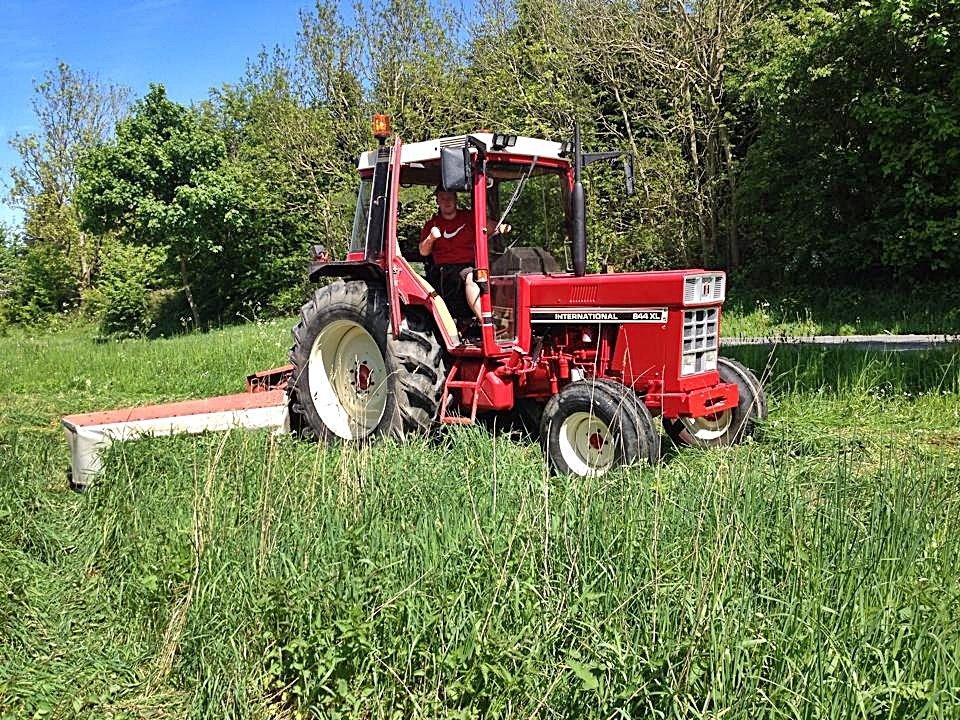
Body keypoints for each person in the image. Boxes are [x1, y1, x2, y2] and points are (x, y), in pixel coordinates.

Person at [419, 189, 482, 323]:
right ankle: (487, 324)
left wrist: (501, 227)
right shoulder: (432, 224)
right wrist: (431, 238)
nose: (447, 201)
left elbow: (489, 226)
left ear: (456, 200)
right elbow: (423, 252)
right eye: (443, 198)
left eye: (450, 198)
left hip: (473, 264)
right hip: (445, 271)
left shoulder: (469, 217)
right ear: (437, 202)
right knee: (470, 276)